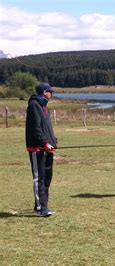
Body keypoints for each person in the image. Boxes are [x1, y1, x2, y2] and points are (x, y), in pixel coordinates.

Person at [26, 83, 57, 217]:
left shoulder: (45, 106)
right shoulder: (34, 105)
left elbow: (47, 127)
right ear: (44, 92)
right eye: (50, 91)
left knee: (47, 178)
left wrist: (53, 142)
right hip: (37, 148)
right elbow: (35, 128)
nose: (52, 94)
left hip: (48, 148)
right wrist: (44, 142)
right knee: (39, 178)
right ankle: (41, 208)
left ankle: (40, 205)